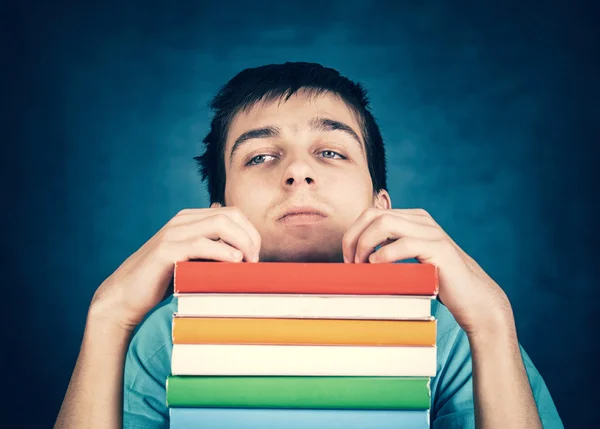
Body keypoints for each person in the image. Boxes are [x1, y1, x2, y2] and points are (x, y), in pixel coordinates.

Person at [55, 62, 563, 429]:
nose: (297, 171)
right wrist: (108, 315)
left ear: (382, 206)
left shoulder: (454, 335)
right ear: (218, 215)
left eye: (330, 151)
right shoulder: (165, 338)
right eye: (259, 157)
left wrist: (493, 319)